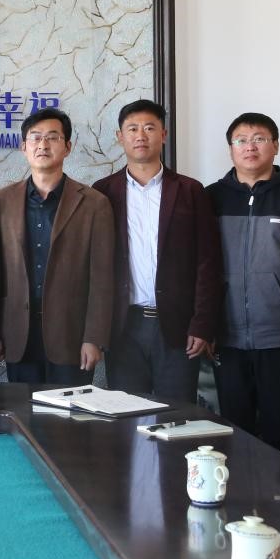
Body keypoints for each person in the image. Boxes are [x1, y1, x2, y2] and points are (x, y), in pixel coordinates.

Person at [206, 112, 280, 455]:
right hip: (226, 338)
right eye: (241, 140)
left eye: (259, 139)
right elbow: (200, 268)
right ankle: (239, 490)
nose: (250, 147)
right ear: (230, 149)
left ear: (275, 146)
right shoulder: (211, 197)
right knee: (234, 432)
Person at [91, 99, 222, 402]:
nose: (141, 136)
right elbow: (95, 267)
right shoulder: (103, 192)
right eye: (132, 129)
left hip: (178, 325)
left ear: (163, 135)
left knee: (177, 414)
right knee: (126, 412)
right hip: (124, 326)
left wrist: (202, 324)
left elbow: (207, 262)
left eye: (149, 128)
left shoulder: (190, 191)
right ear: (120, 137)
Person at [0, 107, 114, 387]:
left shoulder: (94, 203)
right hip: (18, 334)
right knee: (22, 410)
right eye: (35, 137)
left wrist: (94, 338)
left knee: (71, 413)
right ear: (23, 147)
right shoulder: (1, 202)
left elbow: (103, 278)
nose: (43, 145)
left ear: (67, 147)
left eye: (52, 137)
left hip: (72, 335)